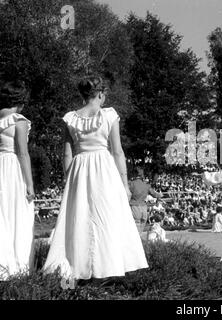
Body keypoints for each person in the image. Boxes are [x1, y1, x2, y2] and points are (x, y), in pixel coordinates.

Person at [43, 76, 148, 281]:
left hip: (79, 169)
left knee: (78, 218)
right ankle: (107, 268)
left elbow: (66, 154)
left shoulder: (70, 118)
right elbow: (117, 152)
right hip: (104, 168)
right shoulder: (109, 115)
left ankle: (76, 269)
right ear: (100, 93)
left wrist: (68, 181)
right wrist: (124, 183)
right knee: (107, 217)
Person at [0, 80, 35, 280]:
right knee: (18, 215)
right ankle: (17, 268)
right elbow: (22, 153)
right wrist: (30, 184)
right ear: (21, 101)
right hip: (13, 170)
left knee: (2, 216)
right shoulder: (18, 121)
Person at [129, 166, 163, 232]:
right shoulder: (146, 185)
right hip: (143, 207)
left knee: (135, 225)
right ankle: (139, 238)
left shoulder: (131, 184)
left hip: (134, 206)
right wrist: (160, 195)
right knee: (142, 224)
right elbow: (155, 194)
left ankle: (137, 239)